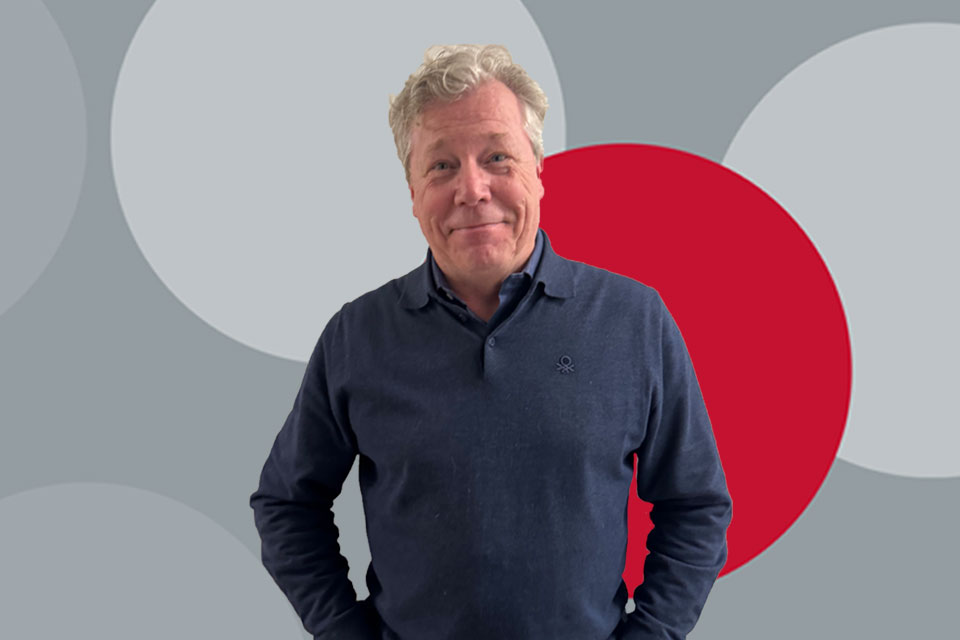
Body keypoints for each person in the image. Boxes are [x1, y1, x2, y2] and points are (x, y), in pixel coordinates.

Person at [250, 44, 732, 640]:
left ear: (537, 169)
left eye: (497, 156)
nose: (471, 189)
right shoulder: (356, 336)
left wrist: (652, 633)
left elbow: (696, 505)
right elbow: (287, 504)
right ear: (411, 190)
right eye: (441, 166)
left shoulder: (633, 320)